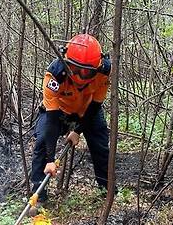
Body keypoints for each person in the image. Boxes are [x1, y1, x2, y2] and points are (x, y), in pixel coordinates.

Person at [29, 33, 112, 215]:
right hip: (58, 112)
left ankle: (106, 190)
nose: (81, 75)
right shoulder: (55, 75)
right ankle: (39, 196)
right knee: (42, 142)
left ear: (96, 67)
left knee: (101, 147)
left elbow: (96, 105)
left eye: (87, 71)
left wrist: (78, 130)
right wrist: (51, 160)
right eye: (76, 68)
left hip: (88, 109)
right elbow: (51, 119)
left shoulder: (104, 70)